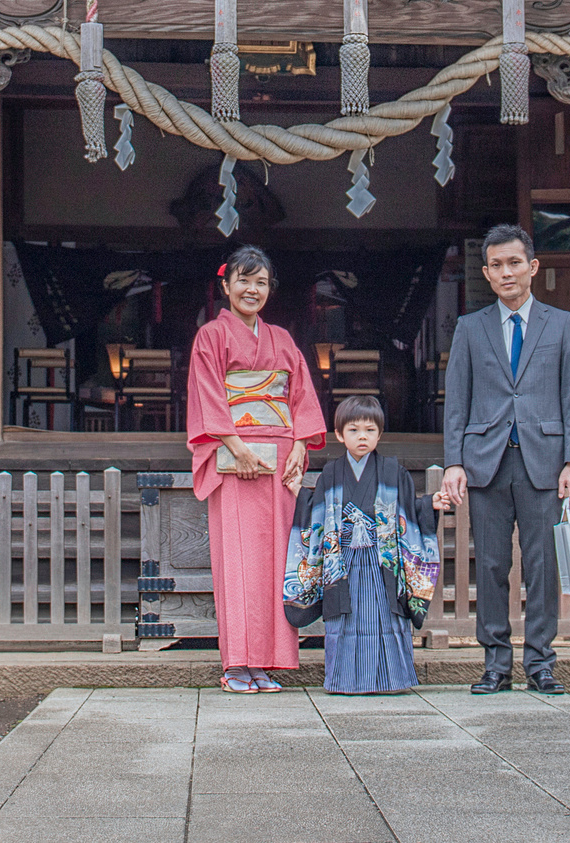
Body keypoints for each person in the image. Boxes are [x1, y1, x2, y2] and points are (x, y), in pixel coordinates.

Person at [435, 223, 570, 694]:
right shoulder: (470, 327)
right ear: (486, 271)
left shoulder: (561, 324)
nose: (506, 273)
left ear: (532, 267)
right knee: (494, 565)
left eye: (514, 263)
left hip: (544, 460)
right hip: (487, 461)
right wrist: (454, 461)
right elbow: (456, 400)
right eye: (496, 265)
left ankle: (540, 663)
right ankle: (496, 664)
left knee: (544, 566)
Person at [185, 246, 327, 694]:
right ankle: (235, 665)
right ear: (225, 286)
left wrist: (302, 446)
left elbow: (300, 395)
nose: (252, 290)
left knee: (275, 563)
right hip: (234, 457)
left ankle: (267, 662)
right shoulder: (210, 336)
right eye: (244, 281)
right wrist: (235, 446)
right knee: (238, 561)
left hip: (280, 458)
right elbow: (208, 393)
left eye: (261, 282)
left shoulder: (282, 339)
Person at [283, 393, 439, 694]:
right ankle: (344, 681)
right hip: (342, 565)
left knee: (384, 617)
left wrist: (430, 504)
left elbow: (410, 508)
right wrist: (299, 492)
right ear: (340, 435)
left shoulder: (395, 471)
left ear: (380, 433)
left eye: (370, 430)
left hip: (383, 563)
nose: (362, 437)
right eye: (353, 430)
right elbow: (317, 508)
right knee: (346, 620)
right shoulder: (331, 472)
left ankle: (392, 680)